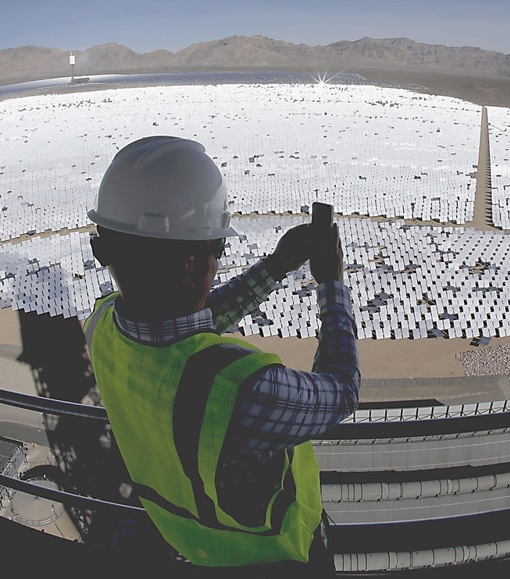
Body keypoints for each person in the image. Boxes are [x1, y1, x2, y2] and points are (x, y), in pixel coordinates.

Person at [83, 136, 359, 572]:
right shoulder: (240, 390)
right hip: (273, 559)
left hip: (181, 537)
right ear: (194, 263)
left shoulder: (100, 327)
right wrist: (332, 284)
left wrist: (276, 266)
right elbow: (342, 391)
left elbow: (180, 322)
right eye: (218, 249)